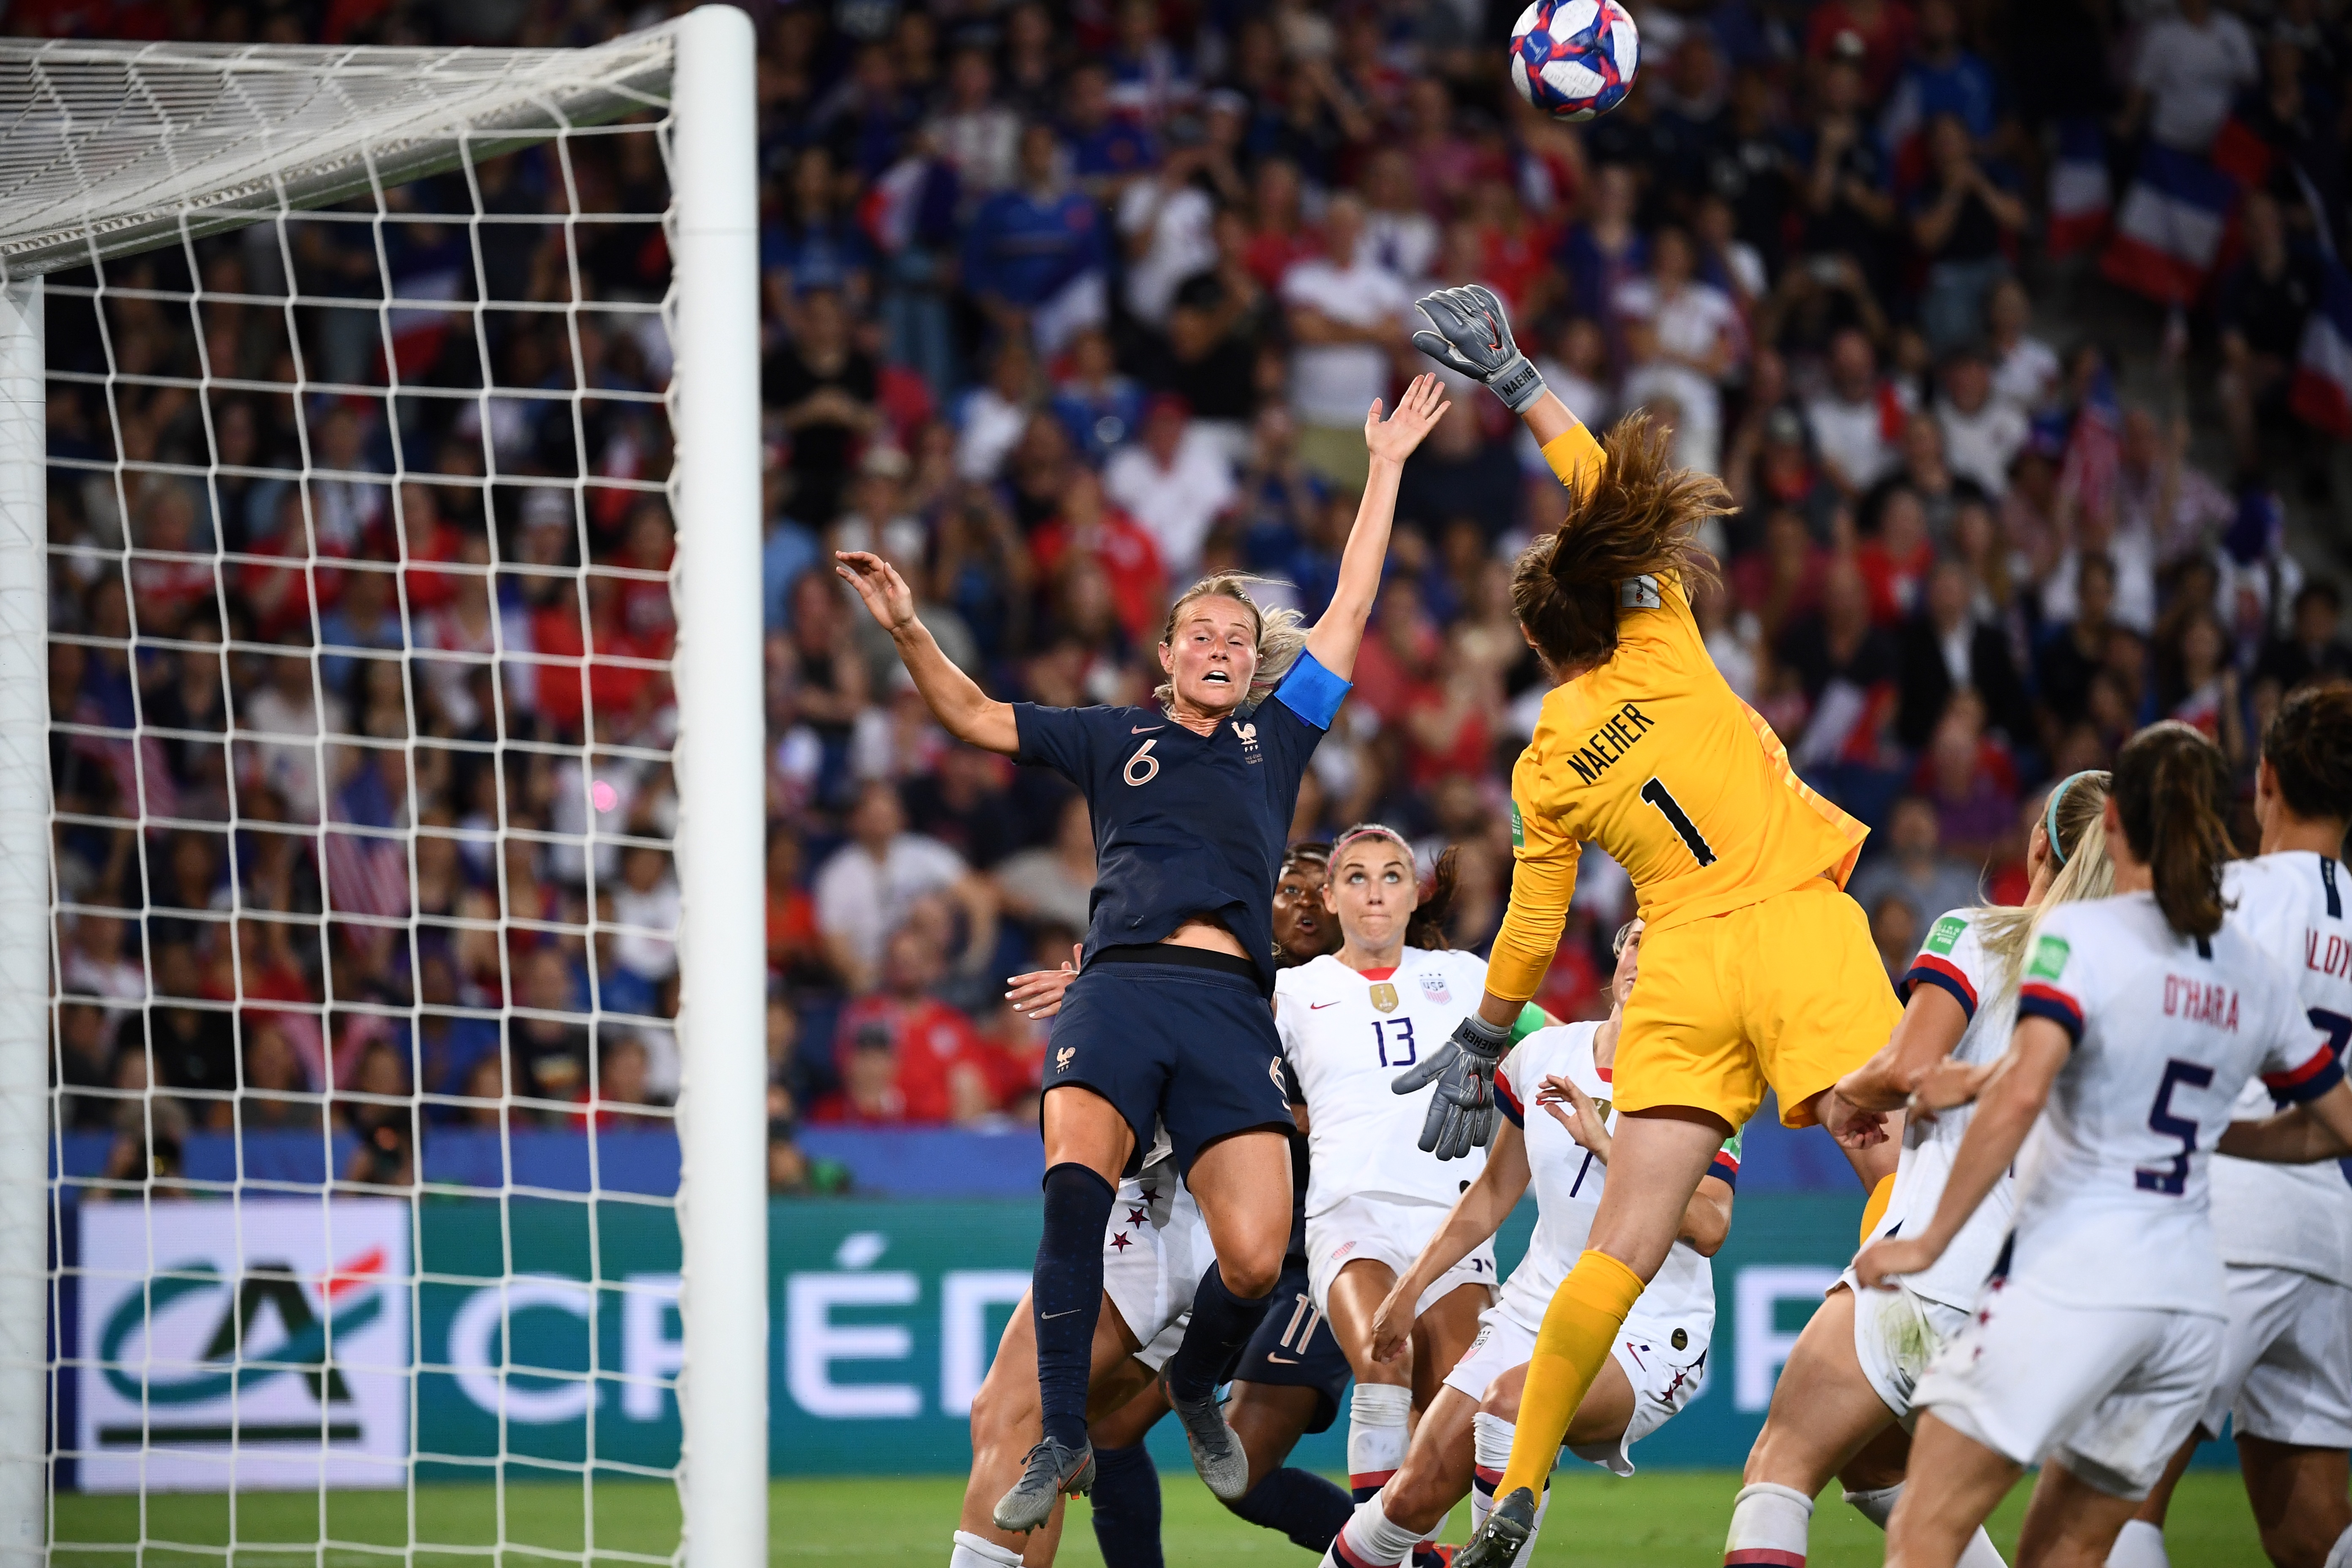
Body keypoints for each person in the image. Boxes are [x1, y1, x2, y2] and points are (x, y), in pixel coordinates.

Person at [841, 373, 1450, 1535]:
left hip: (1225, 1003)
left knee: (1257, 1256)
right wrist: (911, 628)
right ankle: (1061, 1433)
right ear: (1167, 655)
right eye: (1201, 634)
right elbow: (973, 716)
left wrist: (1383, 468)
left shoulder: (1276, 739)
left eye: (1238, 638)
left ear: (1253, 666)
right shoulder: (1107, 734)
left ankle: (1192, 1382)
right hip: (1118, 989)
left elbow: (1352, 606)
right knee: (1074, 1196)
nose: (1220, 647)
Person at [1407, 284, 1899, 1568]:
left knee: (1616, 1251)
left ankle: (1520, 1481)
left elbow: (1534, 920)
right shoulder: (1663, 637)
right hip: (1792, 923)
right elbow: (1609, 492)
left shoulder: (1546, 758)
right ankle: (1913, 1387)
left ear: (1538, 644)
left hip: (1675, 963)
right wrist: (1522, 384)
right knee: (1900, 1167)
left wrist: (1484, 1037)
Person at [1854, 722, 2352, 1568]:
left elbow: (2025, 1093)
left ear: (2114, 822)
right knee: (2077, 1547)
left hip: (2081, 1280)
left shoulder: (2077, 939)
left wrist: (1928, 1242)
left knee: (1924, 1526)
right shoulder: (2251, 971)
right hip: (2191, 1303)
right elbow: (2339, 1123)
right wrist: (2218, 1133)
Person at [1727, 769, 2116, 1567]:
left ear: (2038, 846)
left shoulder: (1981, 937)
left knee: (1781, 1466)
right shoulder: (2142, 988)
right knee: (1892, 1481)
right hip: (2057, 1304)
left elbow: (1907, 1068)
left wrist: (1851, 1093)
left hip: (1937, 1277)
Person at [1316, 919, 1736, 1568]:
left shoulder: (1706, 1081)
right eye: (1637, 942)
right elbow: (1491, 1193)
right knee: (1410, 1497)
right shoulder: (1545, 1055)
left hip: (1648, 1328)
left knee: (1509, 1406)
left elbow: (1710, 1228)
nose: (1647, 960)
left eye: (1669, 951)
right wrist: (1411, 1288)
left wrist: (1611, 1147)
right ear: (1618, 955)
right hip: (1534, 1309)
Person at [1003, 842, 1360, 1568]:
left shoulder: (1350, 996)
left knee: (1248, 1466)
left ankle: (1407, 1556)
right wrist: (1107, 996)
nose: (1301, 903)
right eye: (1287, 888)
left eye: (1316, 891)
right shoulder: (1227, 984)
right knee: (1109, 1431)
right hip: (1206, 1235)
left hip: (1315, 1253)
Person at [2110, 685, 2352, 1568]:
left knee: (2110, 1505)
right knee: (2312, 1531)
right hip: (2328, 1233)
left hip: (2221, 1226)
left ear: (2267, 778)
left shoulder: (2232, 895)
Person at [1277, 826, 1549, 1511]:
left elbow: (1556, 1044)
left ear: (1413, 896)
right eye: (1358, 877)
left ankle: (1427, 1548)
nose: (1375, 892)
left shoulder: (1465, 977)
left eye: (1392, 876)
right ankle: (1378, 1553)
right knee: (1384, 1359)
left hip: (1453, 1221)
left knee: (1466, 1408)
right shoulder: (1291, 992)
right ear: (1331, 898)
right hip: (1350, 1215)